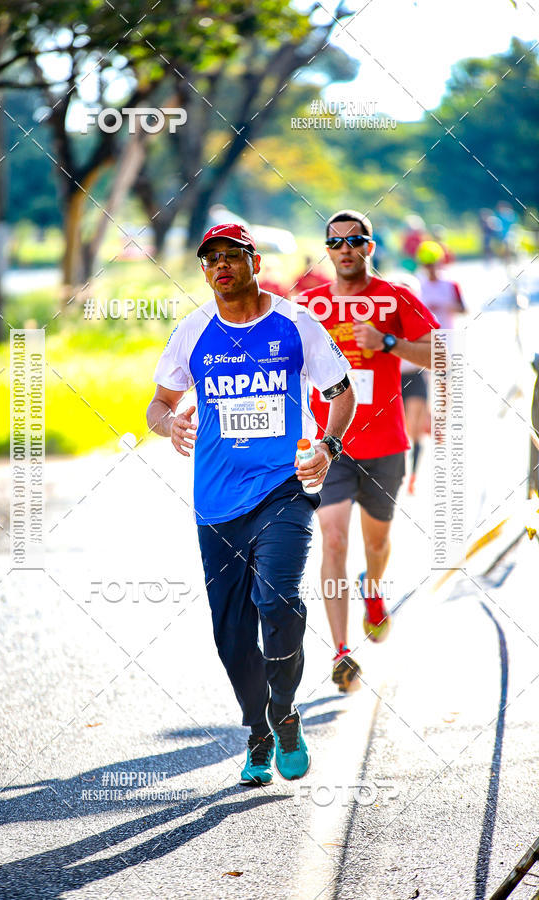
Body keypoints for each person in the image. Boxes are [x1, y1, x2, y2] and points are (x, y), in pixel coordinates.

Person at [147, 223, 355, 786]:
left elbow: (342, 393)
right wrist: (170, 423)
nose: (221, 266)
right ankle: (261, 730)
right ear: (204, 270)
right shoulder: (193, 332)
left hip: (285, 487)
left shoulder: (294, 323)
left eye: (232, 256)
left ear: (253, 262)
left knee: (278, 598)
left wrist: (330, 446)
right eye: (210, 258)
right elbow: (159, 403)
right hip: (216, 499)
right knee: (231, 631)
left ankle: (285, 713)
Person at [296, 210, 439, 693]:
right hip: (331, 446)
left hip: (385, 447)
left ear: (369, 246)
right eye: (335, 242)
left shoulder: (396, 298)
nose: (345, 249)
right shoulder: (309, 305)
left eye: (354, 240)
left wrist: (389, 342)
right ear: (327, 249)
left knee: (376, 544)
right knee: (333, 540)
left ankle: (373, 588)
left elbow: (440, 354)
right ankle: (341, 652)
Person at [400, 241, 466, 494]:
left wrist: (445, 307)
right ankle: (427, 420)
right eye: (426, 264)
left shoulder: (451, 284)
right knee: (425, 386)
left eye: (433, 263)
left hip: (445, 343)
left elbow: (463, 307)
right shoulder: (416, 283)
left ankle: (440, 422)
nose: (430, 268)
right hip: (420, 352)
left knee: (444, 386)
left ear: (439, 262)